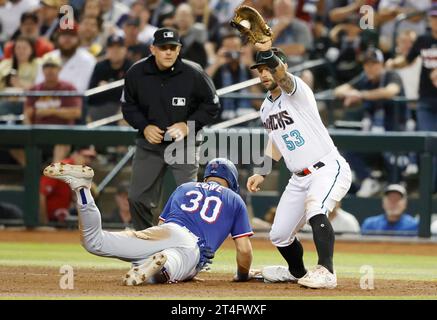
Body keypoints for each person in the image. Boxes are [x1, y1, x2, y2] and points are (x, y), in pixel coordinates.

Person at [43, 158, 254, 285]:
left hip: (165, 231)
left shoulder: (185, 187)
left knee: (94, 241)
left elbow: (162, 226)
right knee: (171, 265)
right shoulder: (234, 199)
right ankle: (162, 268)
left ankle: (82, 189)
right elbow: (244, 250)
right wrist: (242, 276)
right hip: (192, 246)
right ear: (232, 182)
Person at [246, 39, 352, 289]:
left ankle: (326, 271)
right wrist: (262, 171)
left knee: (316, 208)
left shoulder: (297, 90)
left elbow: (284, 78)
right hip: (298, 177)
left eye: (268, 68)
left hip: (326, 167)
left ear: (280, 66)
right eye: (260, 70)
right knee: (279, 235)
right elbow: (276, 140)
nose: (264, 74)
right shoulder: (265, 107)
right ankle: (297, 271)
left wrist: (266, 52)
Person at [121, 27, 220, 230]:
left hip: (184, 144)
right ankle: (147, 246)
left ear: (178, 49)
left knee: (190, 199)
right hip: (150, 143)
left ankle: (195, 249)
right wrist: (144, 126)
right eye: (163, 47)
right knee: (137, 198)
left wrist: (188, 125)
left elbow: (212, 105)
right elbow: (128, 106)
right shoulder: (136, 72)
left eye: (172, 47)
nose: (168, 52)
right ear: (152, 49)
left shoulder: (193, 72)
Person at [334, 47, 408, 197]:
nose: (370, 68)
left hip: (395, 134)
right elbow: (339, 90)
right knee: (346, 150)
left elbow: (390, 91)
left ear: (381, 64)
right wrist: (351, 94)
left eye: (374, 64)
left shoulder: (391, 75)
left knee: (395, 172)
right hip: (372, 133)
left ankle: (396, 184)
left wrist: (360, 95)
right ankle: (368, 180)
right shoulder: (365, 78)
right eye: (367, 64)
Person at [388, 5, 437, 193]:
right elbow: (407, 59)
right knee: (428, 145)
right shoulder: (423, 40)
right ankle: (428, 191)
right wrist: (393, 63)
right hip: (425, 101)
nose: (435, 21)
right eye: (433, 17)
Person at [24, 54, 82, 163]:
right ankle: (31, 169)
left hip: (62, 131)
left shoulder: (68, 88)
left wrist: (51, 111)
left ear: (59, 69)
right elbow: (27, 114)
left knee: (62, 141)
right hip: (38, 131)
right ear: (42, 70)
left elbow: (76, 113)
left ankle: (51, 175)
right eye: (46, 67)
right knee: (11, 138)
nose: (49, 70)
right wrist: (29, 129)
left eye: (53, 67)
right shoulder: (35, 89)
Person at [39, 146, 97, 224]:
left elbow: (92, 194)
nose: (88, 160)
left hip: (62, 218)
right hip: (47, 219)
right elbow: (40, 195)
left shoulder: (81, 173)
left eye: (91, 158)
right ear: (75, 155)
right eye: (85, 156)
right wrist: (44, 222)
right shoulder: (61, 168)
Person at [35, 24, 96, 93]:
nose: (67, 39)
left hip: (73, 101)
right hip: (45, 100)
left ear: (78, 39)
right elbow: (39, 84)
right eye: (64, 35)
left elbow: (81, 89)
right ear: (58, 38)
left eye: (71, 35)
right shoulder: (48, 57)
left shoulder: (87, 59)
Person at [88, 34, 132, 122]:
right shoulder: (100, 67)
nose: (115, 51)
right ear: (107, 50)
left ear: (125, 50)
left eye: (119, 47)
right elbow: (91, 95)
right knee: (86, 114)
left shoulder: (131, 67)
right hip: (100, 107)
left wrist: (108, 87)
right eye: (112, 47)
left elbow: (132, 95)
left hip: (122, 108)